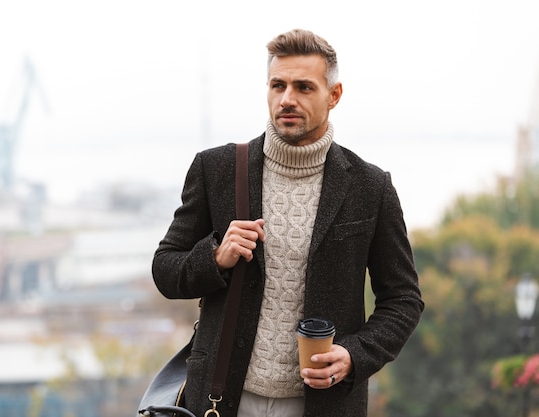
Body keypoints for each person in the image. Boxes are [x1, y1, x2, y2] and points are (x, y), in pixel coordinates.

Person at [152, 28, 424, 417]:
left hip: (324, 405)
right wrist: (214, 257)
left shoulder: (370, 186)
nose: (286, 99)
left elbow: (403, 300)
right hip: (222, 399)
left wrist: (353, 355)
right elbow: (165, 269)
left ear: (334, 95)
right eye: (277, 85)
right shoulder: (216, 170)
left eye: (303, 87)